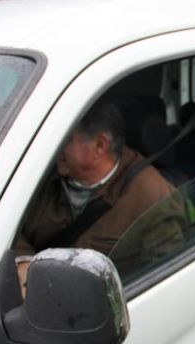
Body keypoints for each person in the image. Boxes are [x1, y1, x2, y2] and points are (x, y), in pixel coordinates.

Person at [14, 101, 183, 292]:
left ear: (100, 145)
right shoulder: (40, 174)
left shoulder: (153, 198)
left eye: (66, 140)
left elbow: (163, 282)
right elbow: (3, 223)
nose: (55, 148)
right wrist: (24, 261)